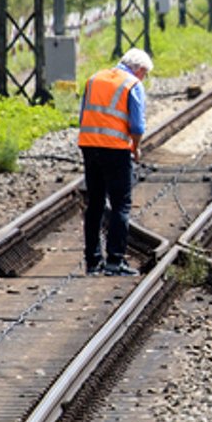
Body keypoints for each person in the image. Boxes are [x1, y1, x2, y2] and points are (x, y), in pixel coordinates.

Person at [78, 48, 150, 276]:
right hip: (116, 150)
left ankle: (92, 261)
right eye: (144, 74)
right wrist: (135, 147)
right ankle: (115, 261)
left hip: (89, 145)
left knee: (95, 204)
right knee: (120, 205)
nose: (143, 78)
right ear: (139, 70)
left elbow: (83, 114)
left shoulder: (94, 79)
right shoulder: (132, 84)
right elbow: (137, 126)